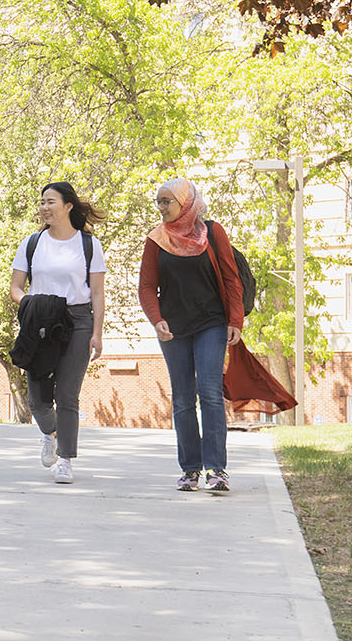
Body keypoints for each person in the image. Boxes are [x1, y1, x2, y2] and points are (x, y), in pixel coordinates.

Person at [137, 179, 243, 493]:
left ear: (185, 202)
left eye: (167, 201)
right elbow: (146, 287)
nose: (161, 207)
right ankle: (190, 470)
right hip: (173, 329)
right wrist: (156, 320)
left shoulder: (213, 232)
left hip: (211, 323)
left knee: (209, 392)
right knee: (183, 398)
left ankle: (217, 469)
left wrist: (235, 319)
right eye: (158, 201)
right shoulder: (156, 239)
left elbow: (230, 278)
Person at [9, 182, 106, 484]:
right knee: (37, 399)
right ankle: (50, 432)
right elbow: (15, 287)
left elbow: (98, 294)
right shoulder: (32, 244)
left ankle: (65, 459)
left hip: (78, 320)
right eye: (42, 202)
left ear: (68, 206)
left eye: (51, 201)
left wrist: (98, 333)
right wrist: (32, 303)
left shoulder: (89, 245)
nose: (44, 207)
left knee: (67, 393)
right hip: (40, 320)